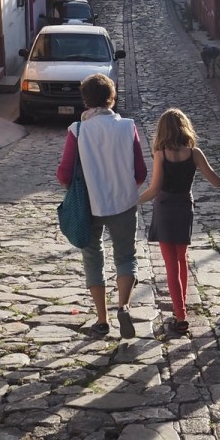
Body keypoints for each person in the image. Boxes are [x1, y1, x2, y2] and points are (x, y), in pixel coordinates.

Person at [56, 73, 147, 337]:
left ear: (86, 100)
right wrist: (122, 189)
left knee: (93, 258)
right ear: (112, 98)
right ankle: (124, 306)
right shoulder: (128, 127)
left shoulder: (78, 131)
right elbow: (140, 172)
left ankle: (102, 319)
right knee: (126, 257)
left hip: (89, 205)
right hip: (124, 203)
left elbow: (64, 174)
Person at [140, 109, 220, 331]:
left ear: (162, 131)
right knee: (181, 259)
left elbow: (154, 189)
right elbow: (216, 181)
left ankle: (180, 316)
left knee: (170, 264)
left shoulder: (161, 155)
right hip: (184, 208)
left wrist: (132, 201)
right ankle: (181, 309)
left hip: (164, 209)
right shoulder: (195, 154)